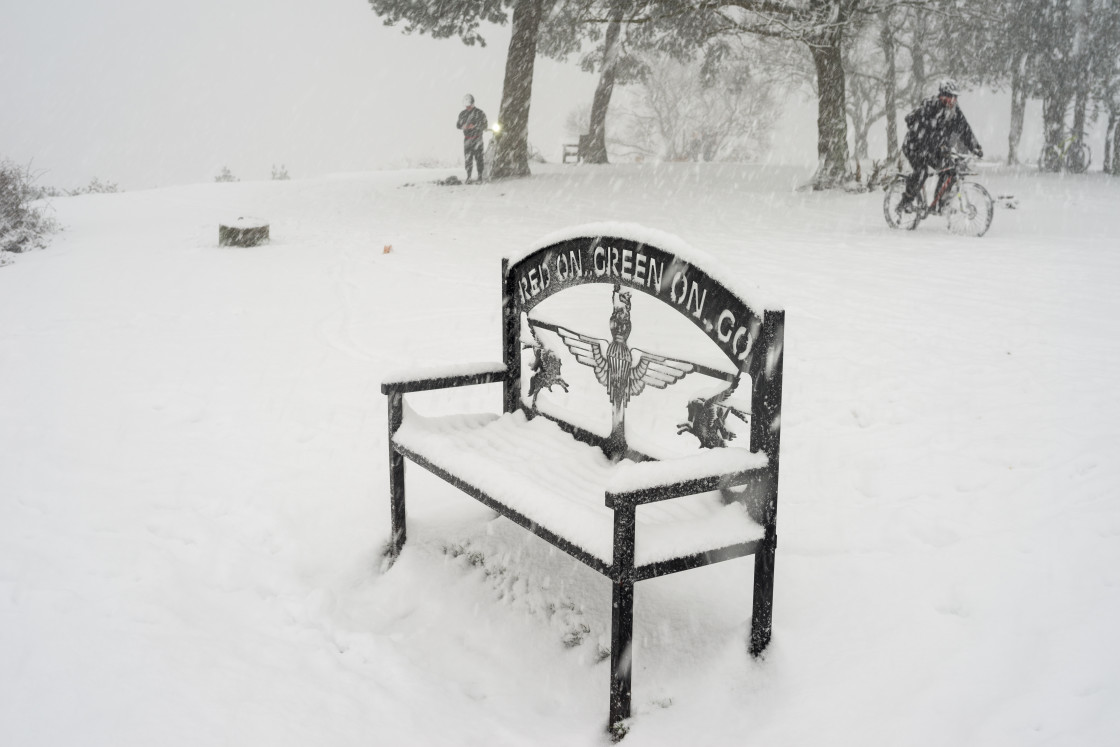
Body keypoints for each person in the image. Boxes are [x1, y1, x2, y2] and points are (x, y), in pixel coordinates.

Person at [899, 79, 983, 212]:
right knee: (922, 172)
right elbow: (923, 132)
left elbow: (965, 129)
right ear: (942, 95)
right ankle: (906, 201)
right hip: (914, 146)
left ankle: (939, 205)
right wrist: (937, 147)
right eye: (950, 96)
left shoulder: (954, 112)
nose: (953, 100)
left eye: (955, 96)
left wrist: (975, 147)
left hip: (935, 148)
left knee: (949, 170)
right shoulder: (930, 106)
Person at [456, 94, 488, 183]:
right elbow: (458, 125)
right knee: (468, 159)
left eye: (469, 105)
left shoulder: (480, 113)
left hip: (478, 138)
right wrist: (463, 126)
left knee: (479, 158)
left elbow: (485, 125)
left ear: (473, 103)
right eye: (466, 106)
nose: (468, 107)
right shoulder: (462, 114)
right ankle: (468, 177)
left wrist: (474, 126)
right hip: (467, 139)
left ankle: (480, 177)